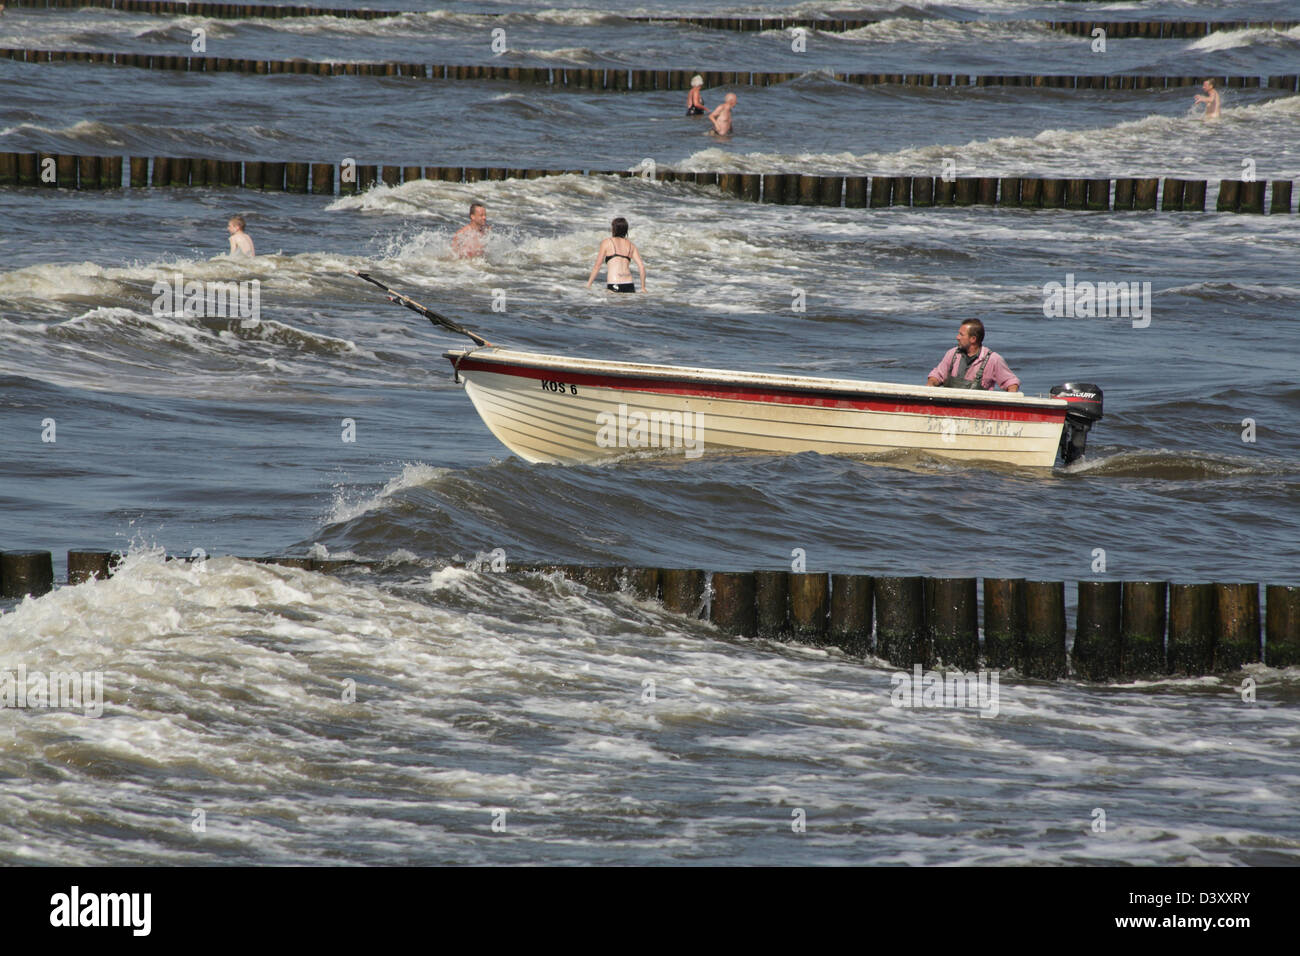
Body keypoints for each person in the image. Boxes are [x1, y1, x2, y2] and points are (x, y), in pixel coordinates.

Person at [926, 319, 1020, 392]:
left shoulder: (993, 359)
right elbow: (937, 376)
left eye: (961, 334)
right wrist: (931, 384)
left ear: (973, 339)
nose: (957, 337)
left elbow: (1011, 383)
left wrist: (1011, 396)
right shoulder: (952, 354)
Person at [585, 217, 646, 293]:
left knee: (612, 304)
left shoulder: (607, 242)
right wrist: (643, 287)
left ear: (614, 229)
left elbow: (597, 265)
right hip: (629, 285)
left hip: (614, 284)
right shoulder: (631, 245)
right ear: (625, 230)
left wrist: (588, 284)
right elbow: (641, 267)